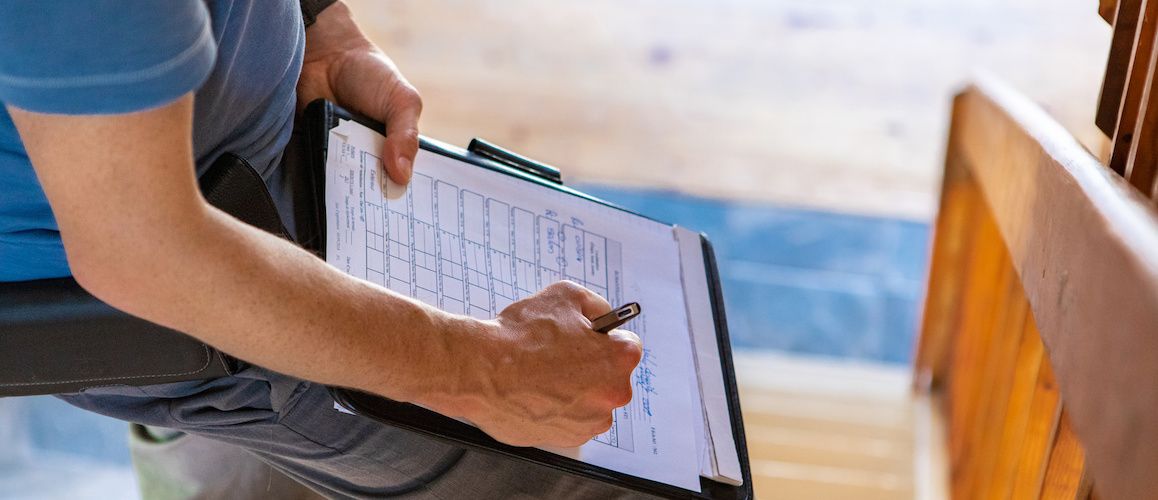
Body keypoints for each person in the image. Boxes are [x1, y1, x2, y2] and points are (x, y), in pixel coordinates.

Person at [0, 1, 646, 497]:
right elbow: (142, 251)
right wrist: (485, 373)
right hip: (182, 290)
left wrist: (319, 23)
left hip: (276, 179)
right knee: (600, 477)